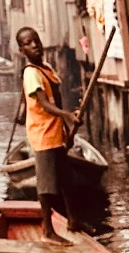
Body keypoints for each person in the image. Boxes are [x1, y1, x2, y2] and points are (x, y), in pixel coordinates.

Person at [17, 27, 81, 240]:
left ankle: (73, 220)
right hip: (43, 134)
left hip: (55, 132)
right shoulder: (31, 74)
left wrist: (67, 123)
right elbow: (44, 104)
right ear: (22, 50)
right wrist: (67, 116)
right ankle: (48, 230)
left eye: (36, 40)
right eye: (28, 43)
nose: (35, 45)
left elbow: (56, 98)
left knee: (66, 179)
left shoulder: (46, 68)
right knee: (46, 187)